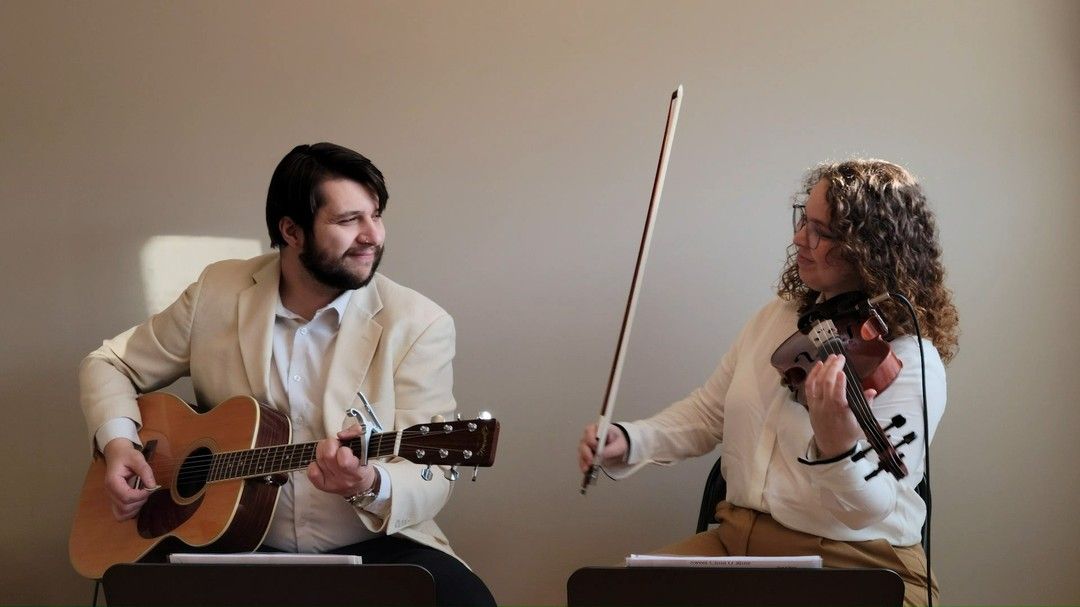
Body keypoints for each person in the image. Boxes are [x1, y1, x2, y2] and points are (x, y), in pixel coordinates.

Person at [79, 142, 496, 606]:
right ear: (291, 231)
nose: (372, 235)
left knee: (468, 601)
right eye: (347, 220)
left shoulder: (419, 324)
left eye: (375, 215)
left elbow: (433, 470)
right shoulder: (216, 294)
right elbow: (109, 363)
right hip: (226, 545)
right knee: (132, 589)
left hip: (374, 546)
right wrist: (120, 444)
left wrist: (370, 484)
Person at [578, 159, 958, 606]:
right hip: (737, 547)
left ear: (869, 247)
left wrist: (837, 447)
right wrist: (629, 439)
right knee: (610, 597)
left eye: (821, 231)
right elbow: (709, 412)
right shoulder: (776, 319)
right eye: (803, 219)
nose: (799, 238)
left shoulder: (909, 358)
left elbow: (869, 508)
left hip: (855, 564)